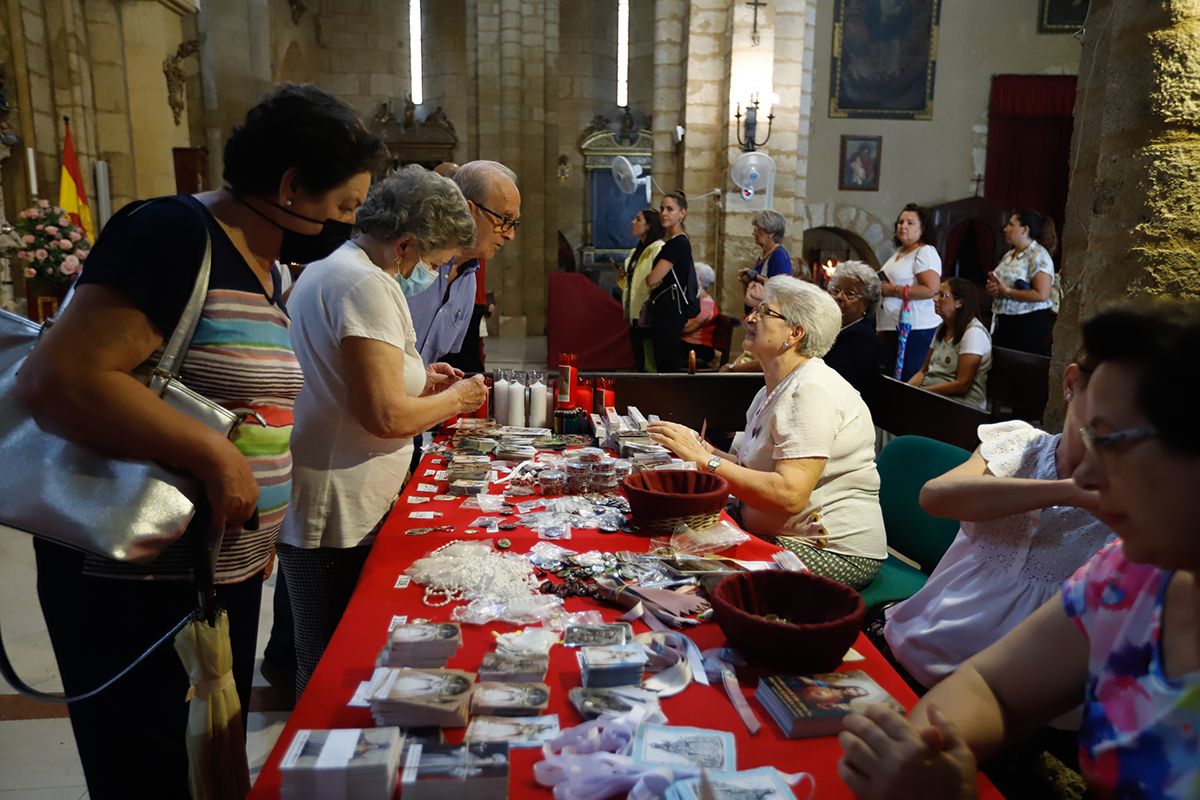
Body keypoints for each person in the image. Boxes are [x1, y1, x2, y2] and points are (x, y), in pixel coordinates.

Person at [15, 83, 385, 797]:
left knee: (205, 770)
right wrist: (215, 455)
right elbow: (58, 379)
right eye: (343, 208)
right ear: (290, 186)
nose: (348, 225)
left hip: (210, 574)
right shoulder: (173, 235)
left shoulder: (267, 262)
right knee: (151, 775)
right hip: (132, 580)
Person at [837, 300, 1200, 800]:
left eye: (1114, 441)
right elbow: (994, 689)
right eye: (1090, 439)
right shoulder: (1127, 577)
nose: (1089, 475)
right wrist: (925, 750)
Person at [279, 165, 486, 697]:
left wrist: (422, 381)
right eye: (435, 262)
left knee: (331, 647)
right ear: (406, 245)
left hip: (340, 486)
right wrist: (455, 399)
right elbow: (384, 418)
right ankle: (315, 766)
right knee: (328, 659)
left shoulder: (340, 269)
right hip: (337, 501)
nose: (434, 274)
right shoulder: (364, 283)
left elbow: (360, 385)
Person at [881, 358, 1111, 695]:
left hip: (1015, 689)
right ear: (1072, 383)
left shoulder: (1139, 497)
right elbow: (936, 497)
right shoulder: (1022, 443)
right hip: (928, 633)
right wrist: (1070, 491)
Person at [647, 277, 886, 589]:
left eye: (765, 312)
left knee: (690, 575)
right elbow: (755, 468)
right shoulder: (773, 390)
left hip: (832, 550)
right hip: (778, 533)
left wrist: (705, 461)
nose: (750, 318)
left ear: (795, 333)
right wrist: (702, 448)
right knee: (669, 541)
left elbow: (789, 494)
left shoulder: (811, 390)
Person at [407, 160, 520, 365]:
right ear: (469, 210)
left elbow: (434, 362)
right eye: (504, 219)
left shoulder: (468, 280)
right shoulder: (407, 263)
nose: (510, 235)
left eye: (514, 223)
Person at [876, 203, 941, 381]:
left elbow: (931, 289)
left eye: (910, 223)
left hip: (914, 329)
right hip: (893, 327)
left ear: (922, 229)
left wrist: (893, 290)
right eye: (900, 222)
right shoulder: (899, 252)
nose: (903, 226)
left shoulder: (924, 252)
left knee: (906, 379)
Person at [908, 277, 992, 409]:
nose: (935, 299)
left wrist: (922, 393)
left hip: (963, 405)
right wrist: (906, 390)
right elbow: (923, 371)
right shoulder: (942, 328)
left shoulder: (973, 333)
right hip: (934, 396)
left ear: (959, 303)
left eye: (942, 295)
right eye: (937, 294)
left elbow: (962, 385)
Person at [986, 209, 1057, 356]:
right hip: (1004, 319)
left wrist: (1007, 291)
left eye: (1011, 225)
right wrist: (993, 289)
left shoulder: (1038, 255)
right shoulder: (1009, 255)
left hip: (1028, 323)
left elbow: (1042, 294)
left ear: (1025, 229)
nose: (1005, 229)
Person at [644, 191, 697, 373]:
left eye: (670, 209)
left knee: (666, 365)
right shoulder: (674, 242)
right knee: (664, 363)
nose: (664, 213)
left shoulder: (678, 243)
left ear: (682, 213)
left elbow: (652, 279)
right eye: (662, 209)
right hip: (667, 311)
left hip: (669, 312)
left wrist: (650, 278)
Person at [616, 207, 665, 371]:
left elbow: (657, 280)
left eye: (638, 219)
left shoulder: (658, 249)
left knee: (649, 360)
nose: (633, 222)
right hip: (633, 312)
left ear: (649, 226)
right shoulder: (636, 251)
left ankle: (651, 391)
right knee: (639, 358)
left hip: (648, 313)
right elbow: (632, 284)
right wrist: (623, 276)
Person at [824, 260, 882, 395]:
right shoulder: (833, 326)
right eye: (836, 290)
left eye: (850, 294)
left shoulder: (862, 337)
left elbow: (835, 382)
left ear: (866, 304)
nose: (838, 297)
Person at [740, 209, 793, 311]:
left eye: (757, 229)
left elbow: (783, 289)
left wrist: (755, 276)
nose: (753, 233)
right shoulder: (764, 256)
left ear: (771, 233)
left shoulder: (779, 256)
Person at [681, 261, 719, 368]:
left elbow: (687, 328)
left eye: (693, 277)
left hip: (699, 348)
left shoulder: (706, 304)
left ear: (701, 281)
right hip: (687, 344)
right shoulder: (696, 300)